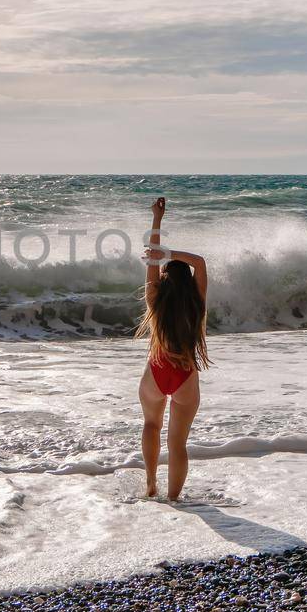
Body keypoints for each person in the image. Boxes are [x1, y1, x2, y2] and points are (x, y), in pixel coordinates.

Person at [137, 196, 210, 501]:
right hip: (185, 374)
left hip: (156, 370)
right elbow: (201, 262)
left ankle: (151, 483)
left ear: (165, 279)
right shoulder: (197, 303)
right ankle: (174, 499)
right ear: (189, 282)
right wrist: (172, 253)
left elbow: (153, 261)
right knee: (177, 442)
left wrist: (157, 219)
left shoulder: (155, 298)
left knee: (151, 425)